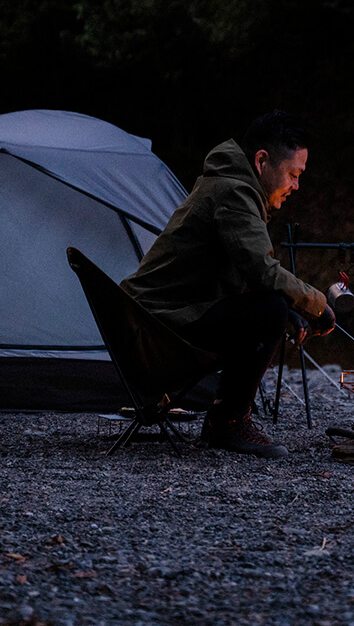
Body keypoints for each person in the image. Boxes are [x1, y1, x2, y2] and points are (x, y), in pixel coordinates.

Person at [120, 110, 336, 458]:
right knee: (271, 307)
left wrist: (293, 312)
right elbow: (262, 271)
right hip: (153, 329)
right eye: (293, 175)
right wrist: (316, 304)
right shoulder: (234, 193)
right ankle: (228, 422)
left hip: (151, 320)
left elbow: (239, 277)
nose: (296, 186)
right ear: (262, 161)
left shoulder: (229, 186)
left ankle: (227, 418)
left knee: (274, 306)